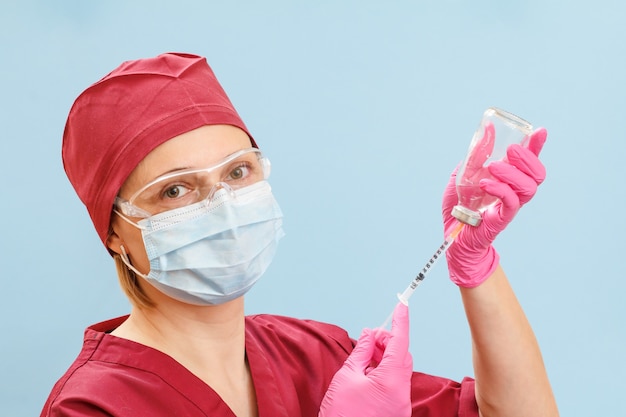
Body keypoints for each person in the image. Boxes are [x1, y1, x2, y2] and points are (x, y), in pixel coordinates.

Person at [40, 52, 559, 417]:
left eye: (238, 173)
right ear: (114, 232)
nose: (223, 207)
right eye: (176, 191)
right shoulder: (93, 406)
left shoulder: (312, 356)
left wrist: (475, 266)